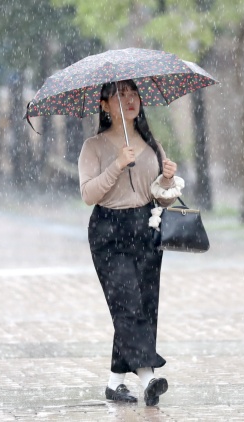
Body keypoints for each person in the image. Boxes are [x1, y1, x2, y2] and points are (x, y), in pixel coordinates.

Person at [78, 80, 182, 406]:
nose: (129, 100)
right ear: (104, 105)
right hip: (109, 233)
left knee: (143, 307)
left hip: (147, 229)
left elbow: (161, 197)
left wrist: (166, 179)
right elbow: (88, 194)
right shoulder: (93, 147)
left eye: (133, 93)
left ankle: (114, 383)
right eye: (119, 95)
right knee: (127, 305)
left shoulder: (151, 144)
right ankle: (149, 377)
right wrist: (117, 164)